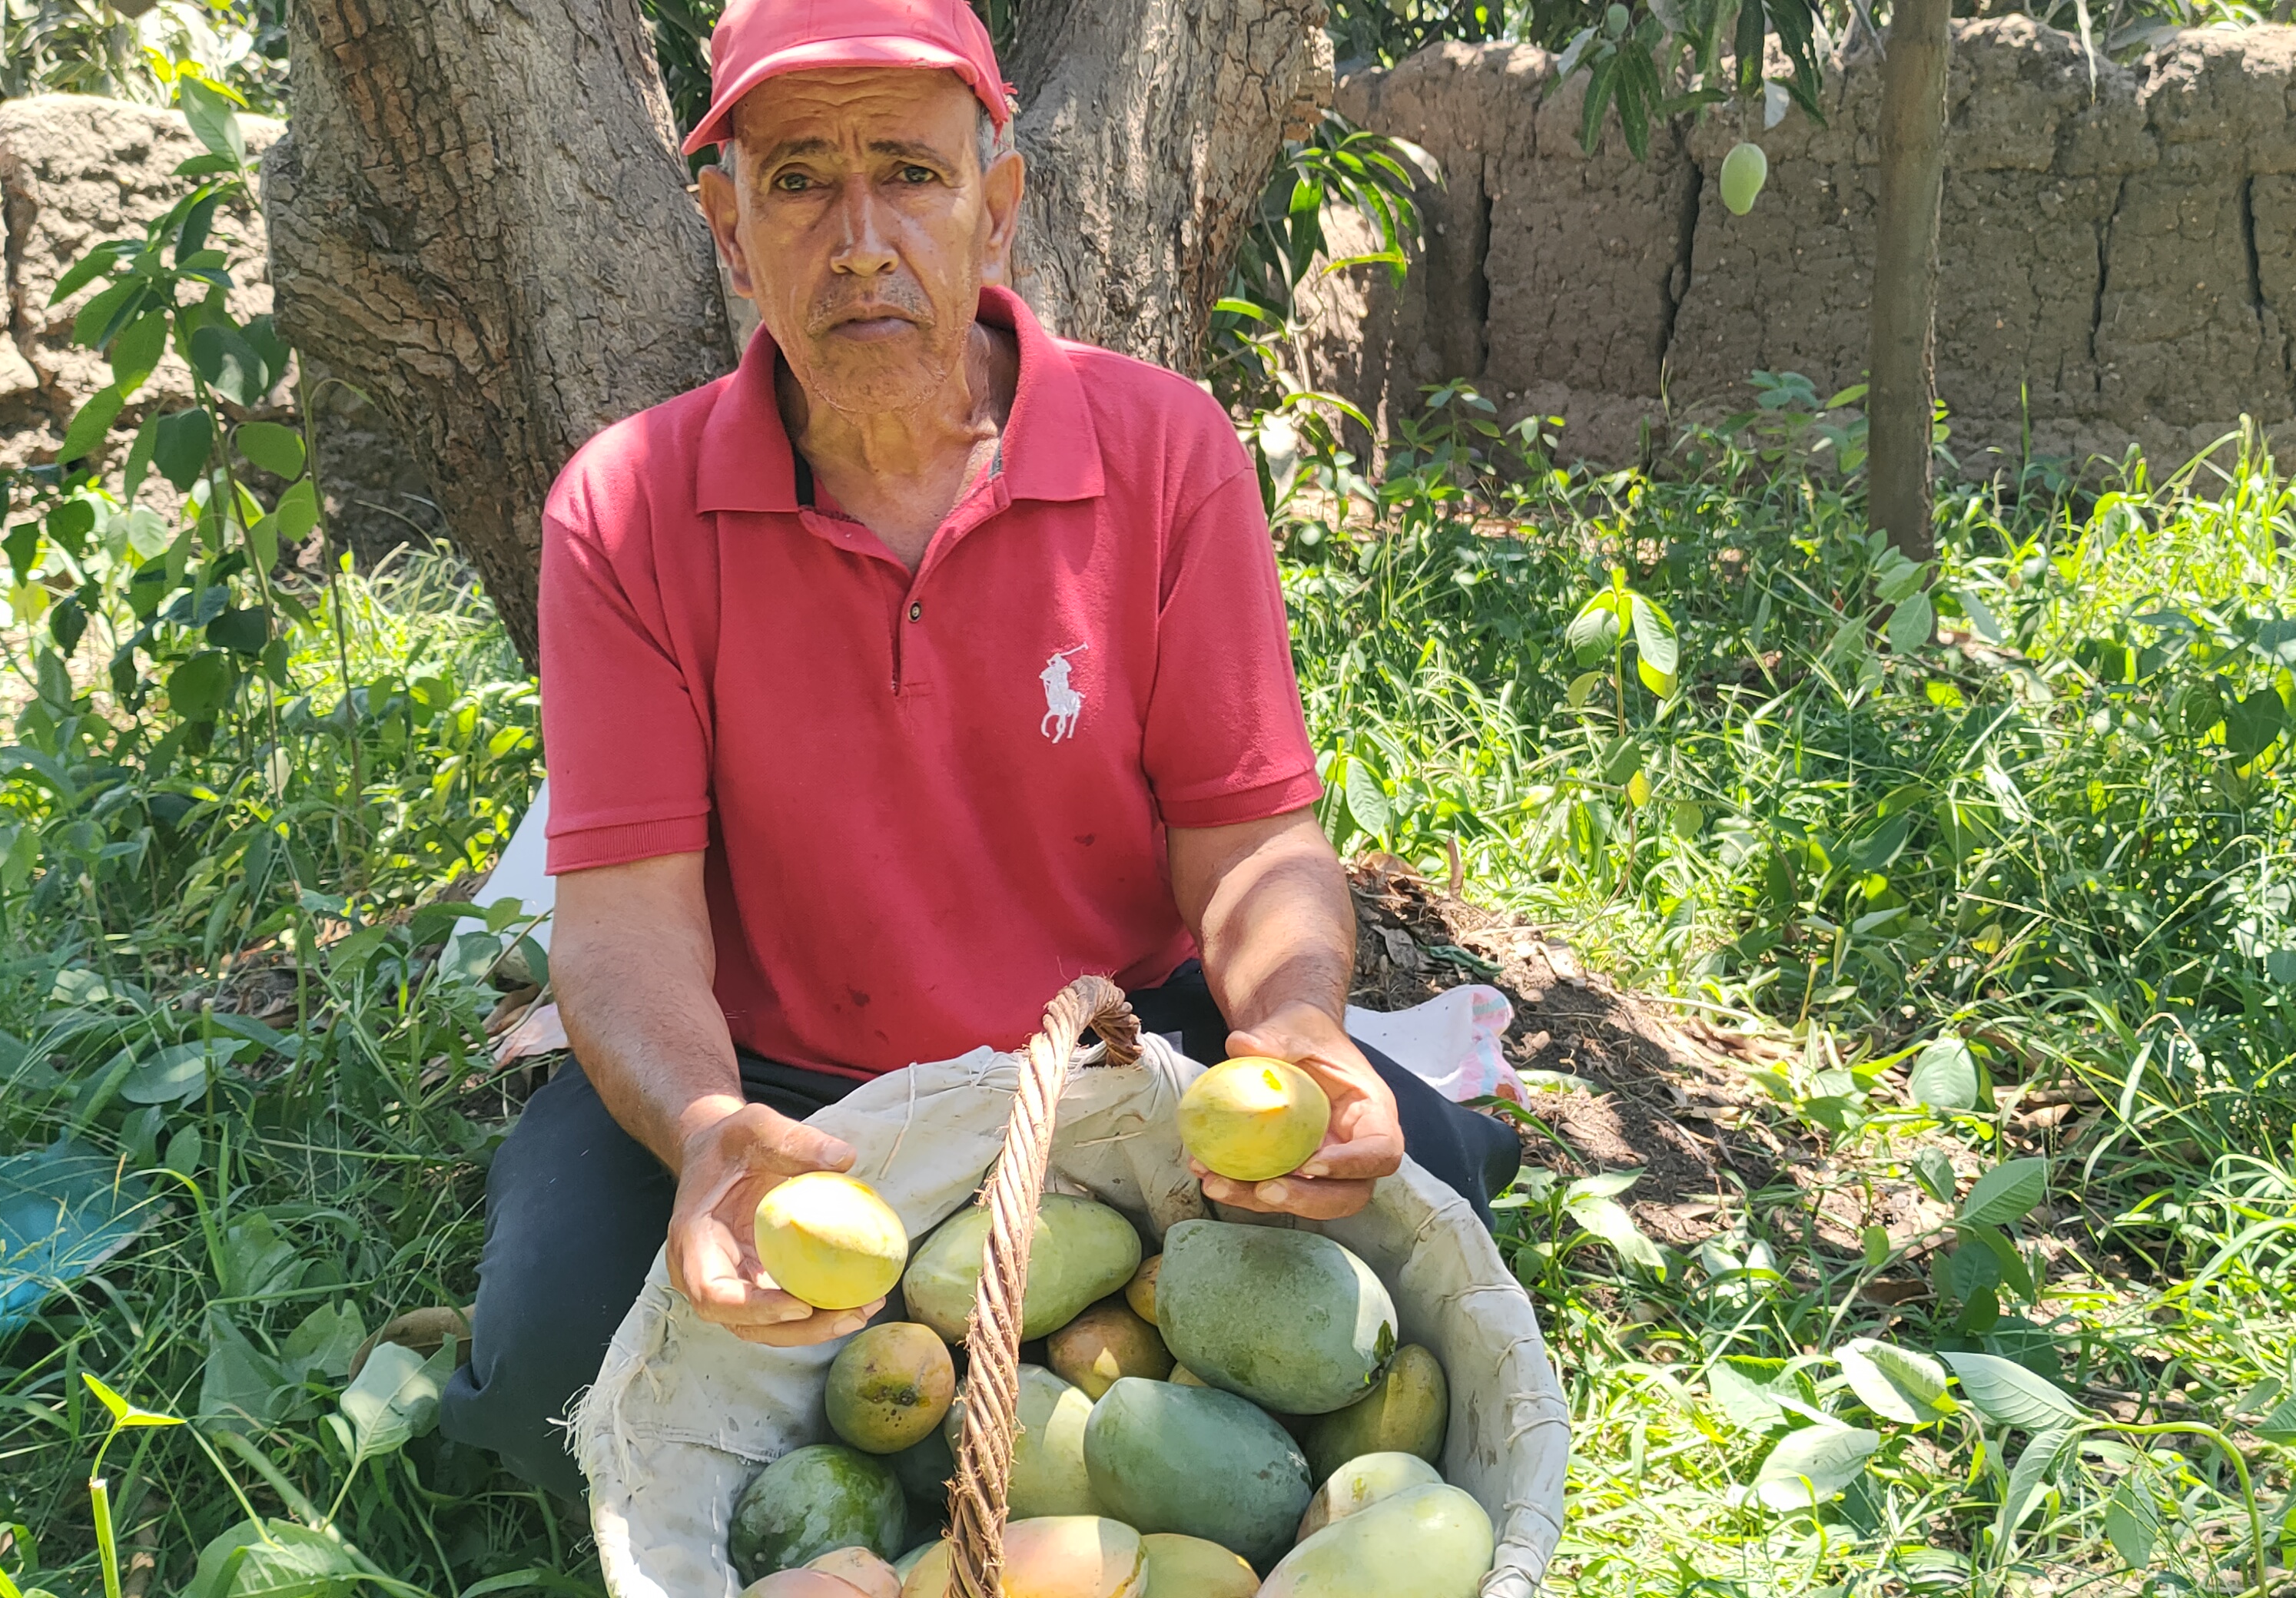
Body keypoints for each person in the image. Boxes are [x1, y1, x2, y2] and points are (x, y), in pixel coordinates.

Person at [432, 0, 1521, 1496]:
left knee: (1416, 1215)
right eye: (801, 179)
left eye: (914, 174)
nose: (861, 238)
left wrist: (1299, 1021)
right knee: (562, 1375)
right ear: (731, 232)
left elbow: (1253, 840)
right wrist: (700, 1129)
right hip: (781, 1086)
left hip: (1117, 1050)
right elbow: (622, 922)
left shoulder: (1163, 452)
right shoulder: (622, 507)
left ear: (997, 208)